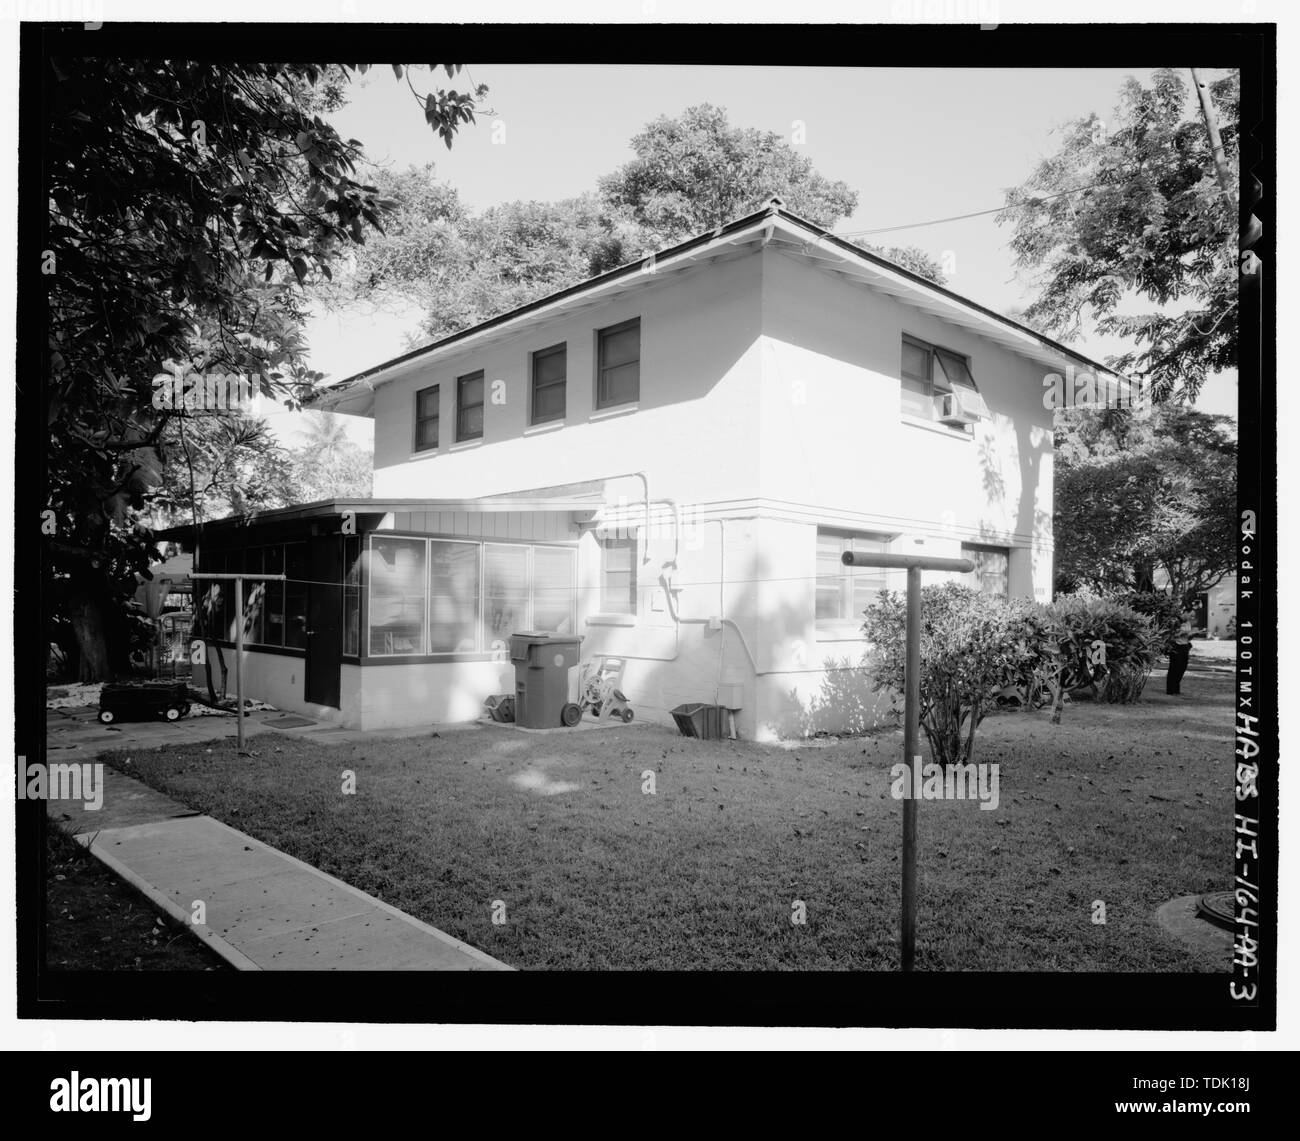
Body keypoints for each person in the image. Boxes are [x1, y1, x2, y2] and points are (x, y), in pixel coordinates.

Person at [1166, 608, 1201, 695]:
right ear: (1185, 612)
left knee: (1183, 667)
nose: (1191, 617)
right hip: (1176, 646)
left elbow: (1187, 637)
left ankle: (1176, 688)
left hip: (1185, 646)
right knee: (1174, 668)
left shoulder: (1188, 623)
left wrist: (1193, 635)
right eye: (1190, 615)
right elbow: (1171, 635)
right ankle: (1170, 690)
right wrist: (1181, 633)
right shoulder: (1176, 621)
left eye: (1193, 616)